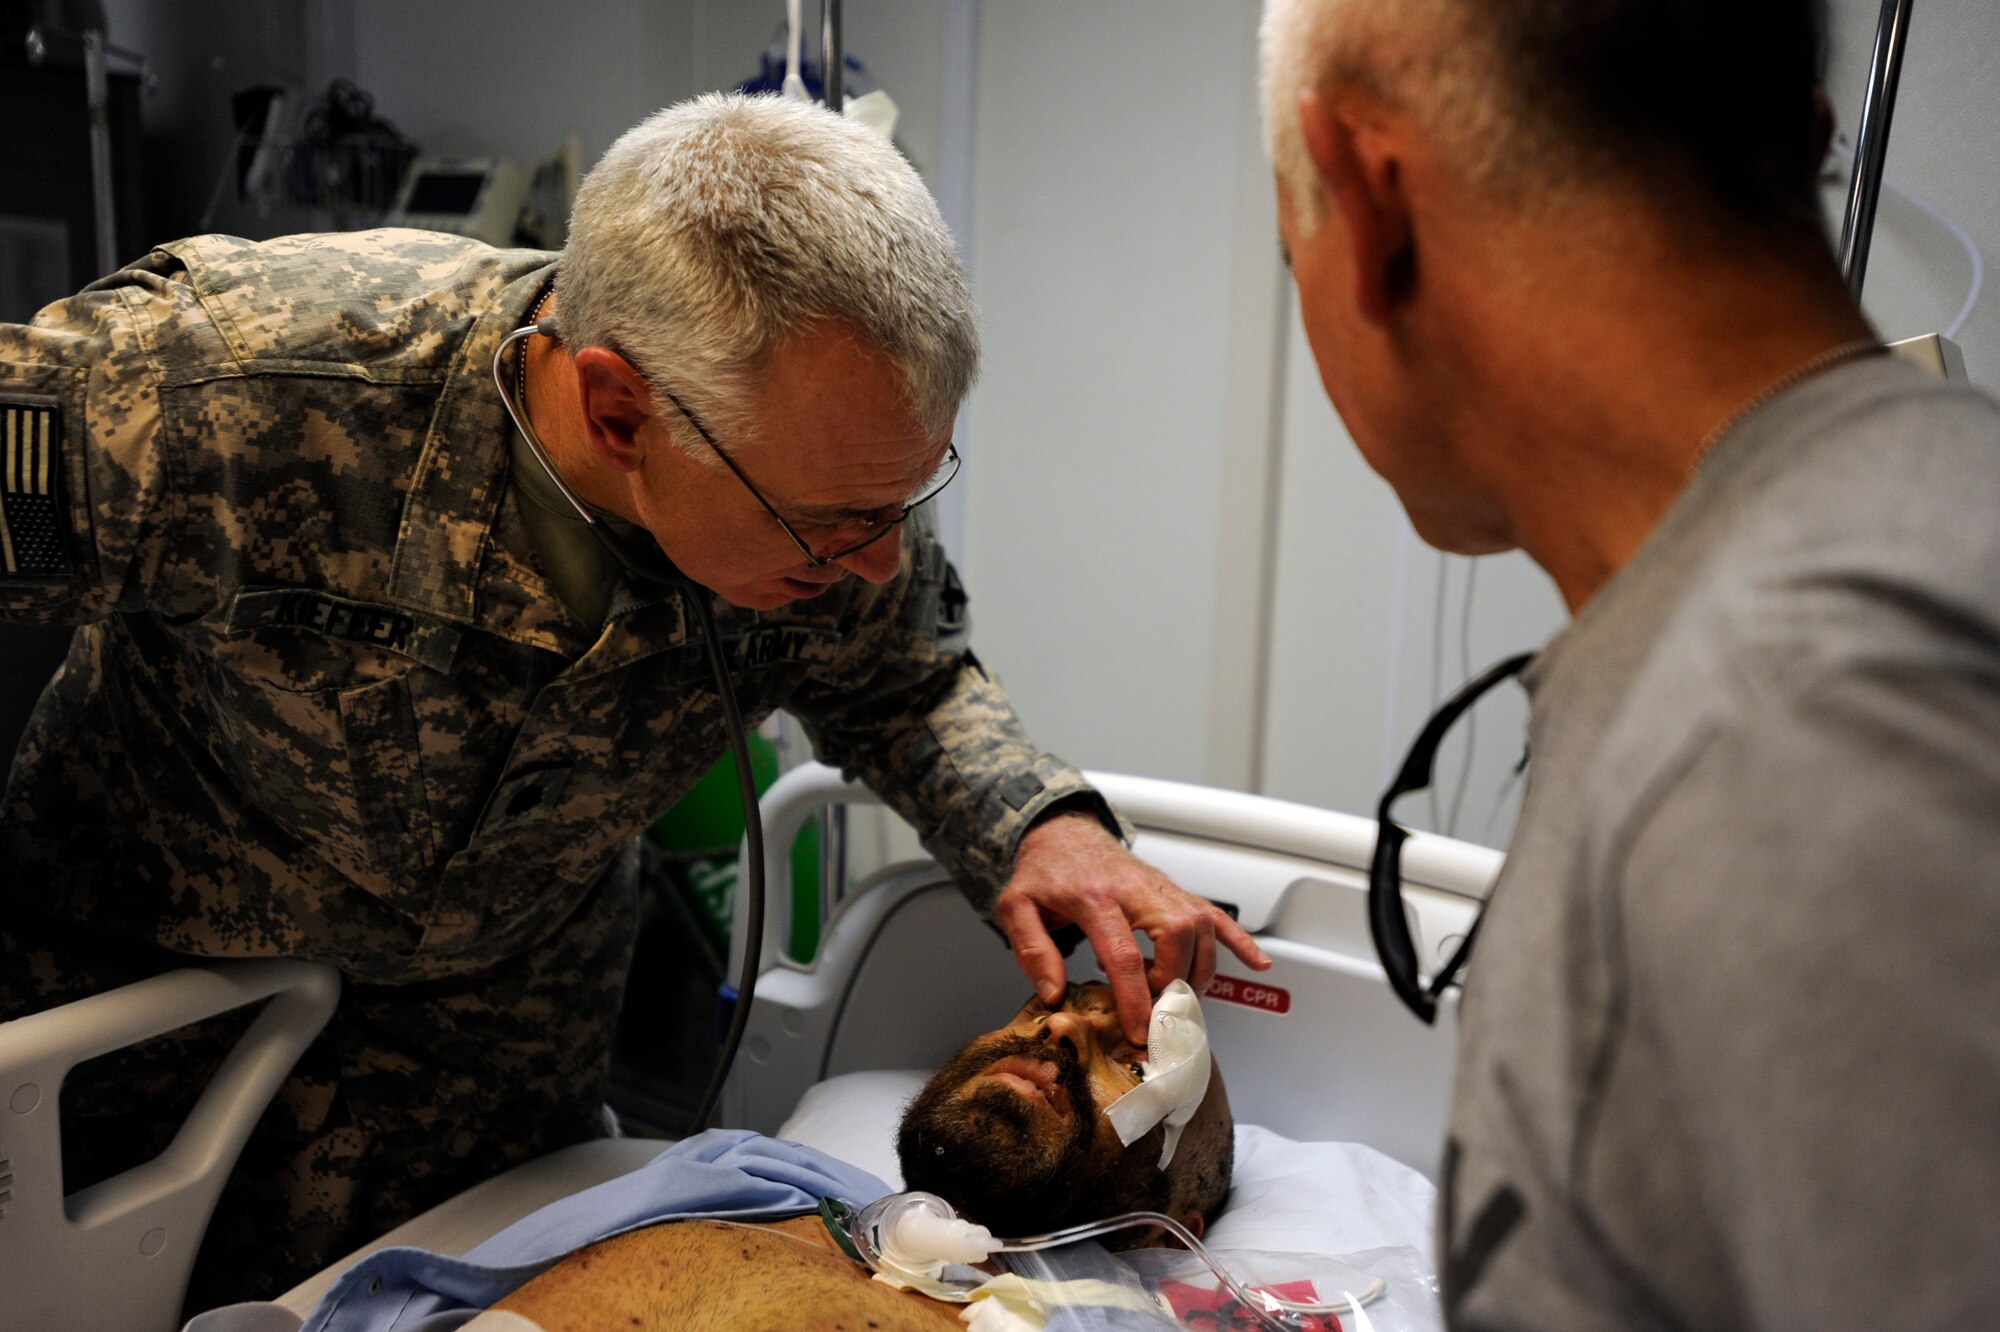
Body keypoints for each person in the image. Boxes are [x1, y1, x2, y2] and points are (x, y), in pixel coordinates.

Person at [0, 91, 1263, 1311]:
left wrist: (1040, 824)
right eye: (832, 525)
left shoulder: (826, 475)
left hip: (487, 1050)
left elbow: (906, 679)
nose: (879, 564)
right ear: (616, 412)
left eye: (906, 500)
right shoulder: (234, 384)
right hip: (145, 1011)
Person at [1260, 0, 2000, 1327]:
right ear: (1797, 143)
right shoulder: (1903, 539)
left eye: (1285, 241)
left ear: (1371, 204)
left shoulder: (1795, 730)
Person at [185, 981, 1234, 1332]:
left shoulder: (1105, 1315)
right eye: (1047, 1006)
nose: (1058, 1031)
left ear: (1169, 1214)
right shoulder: (753, 1178)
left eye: (1131, 1060)